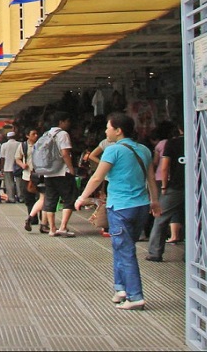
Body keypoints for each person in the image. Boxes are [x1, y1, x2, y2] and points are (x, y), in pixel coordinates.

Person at [75, 112, 161, 311]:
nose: (106, 131)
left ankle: (135, 295)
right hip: (140, 206)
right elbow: (150, 178)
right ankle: (120, 288)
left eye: (108, 127)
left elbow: (97, 177)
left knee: (125, 250)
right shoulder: (144, 150)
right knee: (121, 247)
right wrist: (155, 201)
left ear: (118, 130)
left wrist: (82, 198)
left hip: (120, 207)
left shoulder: (113, 151)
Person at [147, 127, 185, 262]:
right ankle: (193, 254)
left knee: (161, 218)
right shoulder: (198, 140)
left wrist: (164, 186)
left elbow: (164, 167)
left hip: (175, 187)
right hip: (195, 187)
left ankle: (155, 252)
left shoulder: (172, 143)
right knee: (195, 220)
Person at [39, 112, 78, 237]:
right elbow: (65, 153)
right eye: (67, 121)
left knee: (50, 199)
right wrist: (71, 168)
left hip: (48, 173)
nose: (68, 124)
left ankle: (52, 229)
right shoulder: (63, 134)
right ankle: (63, 227)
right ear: (61, 122)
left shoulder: (46, 134)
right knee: (68, 199)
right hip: (62, 172)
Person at [17, 129, 43, 230]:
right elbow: (17, 158)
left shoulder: (41, 144)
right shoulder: (23, 146)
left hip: (39, 175)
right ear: (27, 135)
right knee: (29, 198)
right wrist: (22, 164)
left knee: (41, 198)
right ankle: (33, 218)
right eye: (33, 134)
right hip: (27, 175)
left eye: (37, 134)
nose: (36, 136)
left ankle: (43, 218)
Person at [0, 131, 21, 204]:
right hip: (18, 166)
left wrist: (2, 167)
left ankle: (11, 198)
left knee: (9, 183)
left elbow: (2, 157)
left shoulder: (4, 145)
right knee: (19, 183)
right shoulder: (19, 144)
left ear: (8, 137)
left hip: (7, 166)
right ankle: (21, 197)